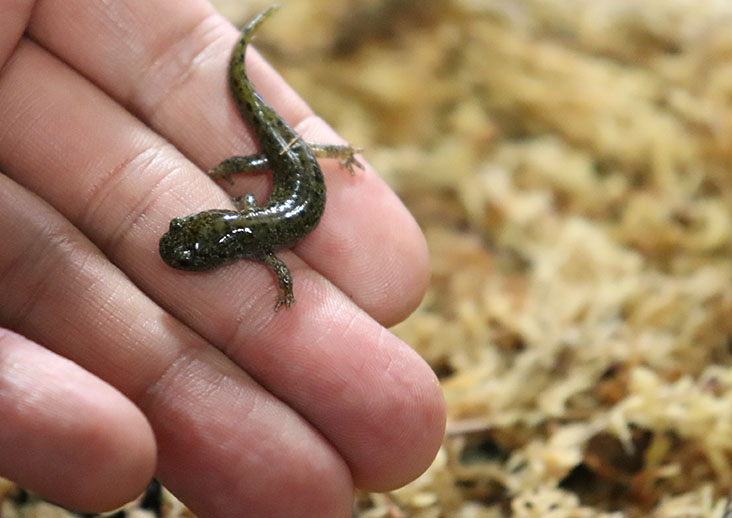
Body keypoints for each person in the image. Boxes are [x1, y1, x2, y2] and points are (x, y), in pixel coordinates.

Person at [0, 1, 446, 517]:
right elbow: (265, 234)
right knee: (279, 149)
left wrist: (285, 286)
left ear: (224, 249)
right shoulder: (252, 229)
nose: (182, 253)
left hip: (293, 168)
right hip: (290, 171)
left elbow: (278, 260)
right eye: (186, 237)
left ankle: (254, 62)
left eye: (190, 252)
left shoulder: (255, 236)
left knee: (282, 150)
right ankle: (249, 60)